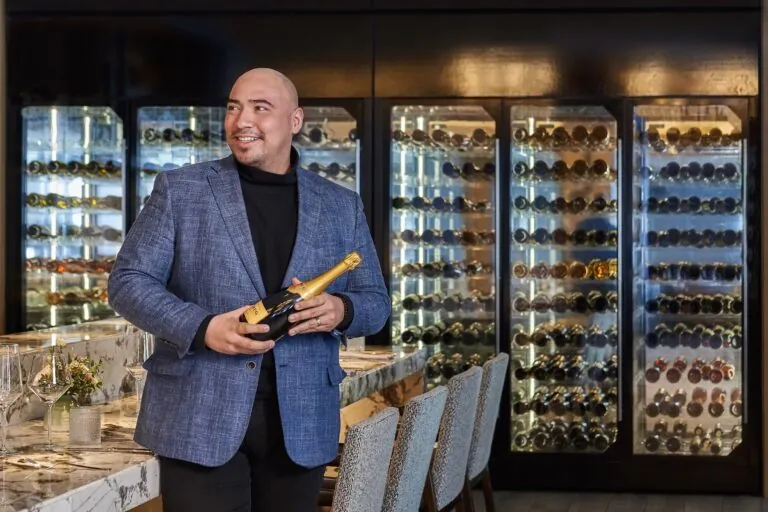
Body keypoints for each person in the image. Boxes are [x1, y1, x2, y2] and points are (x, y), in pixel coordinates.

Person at [107, 68, 390, 512]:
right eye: (234, 107)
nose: (242, 121)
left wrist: (341, 308)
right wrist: (202, 327)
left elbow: (376, 303)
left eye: (261, 108)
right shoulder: (181, 190)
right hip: (198, 417)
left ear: (295, 121)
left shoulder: (340, 205)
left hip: (300, 422)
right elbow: (127, 282)